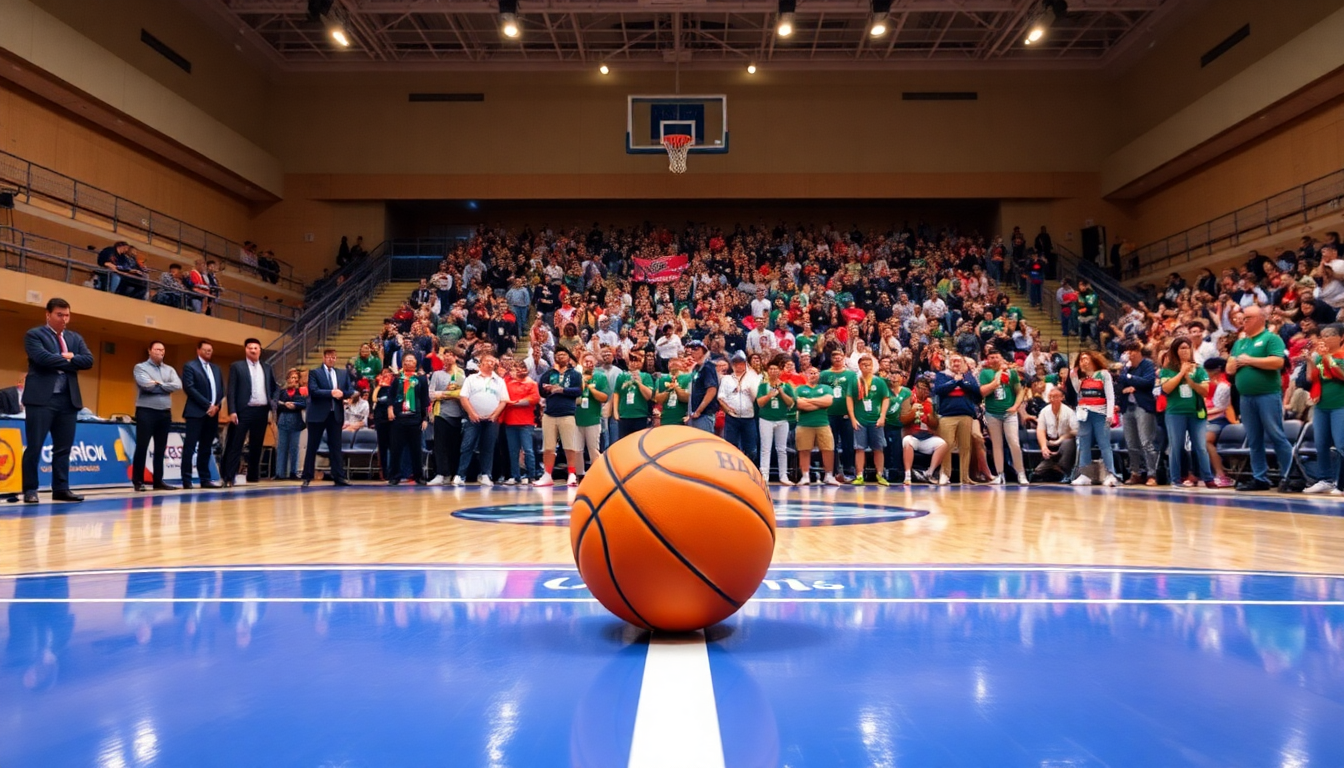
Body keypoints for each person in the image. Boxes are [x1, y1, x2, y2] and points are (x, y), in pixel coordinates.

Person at [21, 299, 94, 503]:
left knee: (63, 449)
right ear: (48, 315)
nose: (64, 319)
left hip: (68, 399)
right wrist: (70, 359)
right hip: (41, 400)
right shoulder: (34, 335)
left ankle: (61, 488)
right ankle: (30, 489)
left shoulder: (75, 337)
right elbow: (42, 358)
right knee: (35, 446)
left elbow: (88, 361)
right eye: (59, 315)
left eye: (67, 315)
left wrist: (68, 359)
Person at [1226, 304, 1295, 492]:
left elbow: (1278, 362)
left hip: (1267, 395)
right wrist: (1238, 362)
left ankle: (1289, 476)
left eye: (1246, 318)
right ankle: (1260, 477)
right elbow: (1229, 368)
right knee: (1253, 438)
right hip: (1246, 397)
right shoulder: (1240, 343)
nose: (1243, 322)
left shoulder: (1271, 339)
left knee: (1276, 434)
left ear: (1259, 319)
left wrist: (1249, 360)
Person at [1159, 336, 1216, 489]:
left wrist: (1190, 380)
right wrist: (1181, 373)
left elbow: (1205, 391)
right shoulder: (1167, 370)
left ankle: (1208, 478)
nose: (1185, 351)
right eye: (1181, 348)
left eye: (1187, 348)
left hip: (1196, 412)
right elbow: (1166, 389)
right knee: (1176, 446)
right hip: (1175, 412)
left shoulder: (1199, 369)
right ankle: (1175, 479)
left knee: (1200, 446)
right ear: (1176, 351)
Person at [222, 338, 276, 487]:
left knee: (257, 445)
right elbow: (231, 390)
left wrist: (273, 401)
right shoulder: (237, 366)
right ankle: (229, 476)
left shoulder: (267, 367)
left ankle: (253, 476)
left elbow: (274, 387)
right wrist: (232, 411)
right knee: (236, 444)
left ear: (260, 350)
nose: (253, 350)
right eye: (250, 348)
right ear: (246, 350)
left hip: (262, 410)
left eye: (255, 348)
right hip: (243, 410)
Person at [131, 341, 182, 492]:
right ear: (149, 351)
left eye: (162, 349)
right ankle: (138, 481)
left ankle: (158, 481)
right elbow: (146, 385)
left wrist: (158, 384)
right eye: (157, 349)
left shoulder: (169, 369)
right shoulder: (140, 367)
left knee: (160, 448)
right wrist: (166, 387)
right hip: (146, 411)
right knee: (142, 446)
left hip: (164, 412)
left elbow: (177, 385)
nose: (160, 352)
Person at [455, 354, 508, 486]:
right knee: (467, 446)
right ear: (481, 363)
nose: (490, 363)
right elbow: (463, 397)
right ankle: (460, 475)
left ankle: (485, 474)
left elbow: (503, 400)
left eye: (492, 361)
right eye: (488, 361)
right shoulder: (471, 379)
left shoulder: (499, 381)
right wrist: (472, 413)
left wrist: (495, 415)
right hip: (473, 418)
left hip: (491, 420)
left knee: (488, 447)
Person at [1068, 349, 1119, 487]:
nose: (1083, 361)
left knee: (1104, 444)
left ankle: (1110, 474)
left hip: (1100, 414)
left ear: (1092, 359)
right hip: (1084, 414)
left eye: (1085, 358)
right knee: (1084, 445)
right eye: (1081, 359)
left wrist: (1109, 415)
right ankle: (1084, 475)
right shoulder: (1082, 378)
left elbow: (1110, 396)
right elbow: (1078, 392)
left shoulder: (1103, 374)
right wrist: (1073, 376)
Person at [1303, 324, 1344, 495]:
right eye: (1322, 335)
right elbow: (1311, 378)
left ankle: (1341, 483)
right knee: (1321, 443)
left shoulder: (1341, 355)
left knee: (1341, 444)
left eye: (1329, 335)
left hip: (1340, 405)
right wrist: (1309, 360)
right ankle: (1325, 479)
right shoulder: (1319, 357)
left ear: (1341, 337)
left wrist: (1328, 357)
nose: (1324, 339)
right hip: (1321, 406)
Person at [978, 350, 1029, 486]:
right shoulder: (985, 373)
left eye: (997, 357)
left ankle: (1021, 473)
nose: (994, 359)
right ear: (988, 360)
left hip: (1009, 413)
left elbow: (1019, 391)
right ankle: (1000, 474)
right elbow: (983, 392)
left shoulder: (1012, 373)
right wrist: (998, 376)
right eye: (991, 357)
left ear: (1001, 358)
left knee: (1014, 443)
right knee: (997, 445)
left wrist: (1016, 406)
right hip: (992, 413)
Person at [302, 349, 352, 488]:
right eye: (329, 357)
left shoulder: (342, 373)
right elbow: (314, 391)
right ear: (324, 358)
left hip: (335, 414)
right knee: (312, 446)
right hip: (317, 414)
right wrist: (331, 393)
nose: (331, 359)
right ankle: (307, 476)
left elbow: (349, 391)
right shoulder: (315, 372)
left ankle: (339, 477)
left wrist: (343, 394)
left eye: (334, 357)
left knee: (336, 446)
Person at [536, 347, 583, 487]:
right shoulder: (548, 373)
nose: (561, 357)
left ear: (569, 358)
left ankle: (572, 474)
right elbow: (541, 390)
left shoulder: (574, 374)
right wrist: (548, 388)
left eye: (563, 354)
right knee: (548, 447)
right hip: (550, 413)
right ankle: (547, 475)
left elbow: (578, 391)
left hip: (567, 413)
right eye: (558, 355)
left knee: (569, 446)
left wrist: (561, 390)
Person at [181, 340, 224, 490]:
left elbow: (221, 390)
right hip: (196, 413)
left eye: (210, 350)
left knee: (206, 447)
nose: (208, 352)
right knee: (190, 446)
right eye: (205, 350)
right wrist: (208, 405)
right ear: (198, 350)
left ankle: (205, 479)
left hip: (213, 414)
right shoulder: (190, 366)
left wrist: (217, 406)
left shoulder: (216, 369)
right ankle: (187, 480)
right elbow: (190, 388)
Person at [1116, 340, 1160, 486]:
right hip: (1127, 406)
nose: (1130, 354)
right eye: (1127, 352)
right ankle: (1135, 473)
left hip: (1143, 406)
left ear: (1138, 352)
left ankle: (1152, 474)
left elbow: (1148, 382)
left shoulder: (1147, 364)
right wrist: (1126, 387)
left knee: (1146, 442)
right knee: (1131, 443)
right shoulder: (1126, 368)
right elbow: (1119, 383)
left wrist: (1130, 379)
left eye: (1132, 351)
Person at [933, 355, 980, 486]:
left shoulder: (968, 376)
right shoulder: (941, 375)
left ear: (963, 363)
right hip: (947, 415)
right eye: (953, 361)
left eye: (958, 361)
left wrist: (961, 382)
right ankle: (945, 474)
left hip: (966, 414)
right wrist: (955, 382)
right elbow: (939, 390)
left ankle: (965, 477)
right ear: (949, 363)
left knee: (965, 447)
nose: (956, 363)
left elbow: (975, 390)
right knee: (946, 445)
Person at [385, 352, 429, 486]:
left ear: (416, 363)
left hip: (415, 419)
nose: (408, 362)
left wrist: (425, 418)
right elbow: (391, 395)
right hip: (399, 418)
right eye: (406, 360)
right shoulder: (397, 378)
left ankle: (418, 476)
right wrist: (390, 408)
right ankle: (394, 476)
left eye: (411, 360)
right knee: (396, 449)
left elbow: (425, 399)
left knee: (416, 449)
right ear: (403, 363)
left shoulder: (421, 379)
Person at [847, 354, 890, 486]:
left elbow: (886, 398)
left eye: (869, 365)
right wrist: (853, 418)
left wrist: (882, 416)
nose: (867, 367)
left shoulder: (879, 381)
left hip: (876, 420)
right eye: (864, 365)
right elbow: (849, 398)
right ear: (859, 366)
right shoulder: (855, 381)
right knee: (859, 448)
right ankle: (859, 475)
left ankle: (880, 475)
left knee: (878, 448)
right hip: (860, 420)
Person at [794, 365, 840, 485]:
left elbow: (828, 401)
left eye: (815, 373)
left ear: (819, 375)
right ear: (806, 375)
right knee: (804, 450)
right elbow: (800, 405)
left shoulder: (826, 388)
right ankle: (805, 476)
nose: (813, 375)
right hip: (804, 424)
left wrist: (808, 400)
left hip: (823, 423)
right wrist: (819, 403)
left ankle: (829, 476)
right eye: (811, 373)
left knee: (828, 449)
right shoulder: (799, 389)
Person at [426, 350, 466, 486]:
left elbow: (462, 393)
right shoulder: (437, 374)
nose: (447, 358)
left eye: (450, 355)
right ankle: (440, 473)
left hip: (457, 414)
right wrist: (448, 394)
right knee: (440, 445)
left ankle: (452, 474)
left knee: (454, 446)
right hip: (441, 413)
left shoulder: (460, 374)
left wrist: (443, 394)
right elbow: (431, 394)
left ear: (455, 357)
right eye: (445, 355)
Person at [755, 354, 796, 485]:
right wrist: (769, 395)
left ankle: (783, 476)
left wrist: (781, 392)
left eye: (775, 369)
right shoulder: (763, 386)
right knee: (765, 448)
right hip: (766, 419)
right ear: (768, 371)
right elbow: (760, 403)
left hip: (782, 420)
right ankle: (764, 476)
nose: (773, 371)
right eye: (771, 369)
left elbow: (791, 403)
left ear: (779, 371)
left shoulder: (786, 386)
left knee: (782, 449)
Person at [818, 349, 858, 481]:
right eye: (834, 356)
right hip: (829, 414)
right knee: (830, 444)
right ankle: (832, 472)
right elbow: (820, 391)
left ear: (844, 358)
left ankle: (848, 470)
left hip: (846, 414)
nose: (837, 358)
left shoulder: (851, 375)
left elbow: (855, 393)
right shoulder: (824, 374)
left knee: (848, 444)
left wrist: (852, 412)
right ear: (831, 359)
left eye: (839, 356)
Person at [901, 376, 950, 485]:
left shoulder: (929, 402)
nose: (924, 392)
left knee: (942, 444)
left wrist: (929, 417)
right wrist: (913, 412)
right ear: (915, 388)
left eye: (926, 389)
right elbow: (903, 420)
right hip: (912, 435)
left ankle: (929, 473)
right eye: (922, 388)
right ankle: (907, 475)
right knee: (907, 441)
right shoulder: (909, 399)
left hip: (926, 436)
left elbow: (935, 425)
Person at [499, 357, 539, 486]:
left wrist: (513, 403)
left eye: (523, 367)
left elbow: (533, 399)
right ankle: (515, 476)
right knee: (513, 451)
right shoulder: (507, 383)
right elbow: (502, 395)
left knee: (528, 450)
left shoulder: (532, 383)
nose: (520, 370)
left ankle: (531, 475)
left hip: (526, 422)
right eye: (517, 368)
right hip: (510, 421)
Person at [1202, 358, 1237, 488]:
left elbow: (1221, 408)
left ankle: (1221, 474)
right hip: (1207, 418)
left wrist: (1204, 414)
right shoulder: (1208, 385)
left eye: (1207, 371)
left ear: (1215, 371)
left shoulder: (1224, 386)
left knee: (1207, 440)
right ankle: (1195, 474)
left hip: (1221, 420)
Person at [574, 351, 609, 476]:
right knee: (577, 450)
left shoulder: (600, 377)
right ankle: (579, 475)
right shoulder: (576, 377)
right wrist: (583, 383)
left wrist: (591, 388)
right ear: (582, 363)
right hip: (576, 419)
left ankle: (597, 475)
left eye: (591, 362)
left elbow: (604, 397)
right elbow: (573, 395)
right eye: (586, 362)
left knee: (593, 449)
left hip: (593, 419)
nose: (589, 364)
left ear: (595, 363)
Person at [1034, 387, 1077, 483]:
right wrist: (1044, 447)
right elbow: (1040, 430)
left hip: (1064, 442)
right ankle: (1051, 467)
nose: (1052, 399)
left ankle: (1064, 470)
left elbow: (1075, 431)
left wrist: (1061, 439)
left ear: (1062, 397)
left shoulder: (1069, 412)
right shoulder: (1044, 411)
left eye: (1056, 396)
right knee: (1038, 472)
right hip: (1050, 442)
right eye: (1050, 396)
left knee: (1069, 443)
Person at [613, 349, 656, 440]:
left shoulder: (646, 376)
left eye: (636, 361)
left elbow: (648, 396)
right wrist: (615, 412)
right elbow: (616, 394)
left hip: (640, 415)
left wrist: (639, 383)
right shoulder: (621, 376)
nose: (633, 363)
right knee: (624, 441)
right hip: (624, 415)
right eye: (631, 361)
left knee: (638, 441)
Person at [274, 369, 306, 481]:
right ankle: (279, 473)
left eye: (296, 378)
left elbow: (304, 403)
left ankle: (293, 472)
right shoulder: (282, 392)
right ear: (288, 379)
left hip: (296, 419)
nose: (294, 380)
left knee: (294, 447)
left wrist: (295, 405)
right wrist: (285, 405)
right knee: (282, 447)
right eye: (292, 378)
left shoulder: (300, 392)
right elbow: (276, 403)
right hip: (283, 418)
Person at [685, 340, 719, 433]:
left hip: (704, 415)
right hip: (694, 415)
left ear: (704, 351)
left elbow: (712, 390)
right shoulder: (696, 368)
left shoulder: (708, 367)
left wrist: (699, 411)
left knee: (704, 441)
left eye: (695, 349)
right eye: (691, 349)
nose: (692, 351)